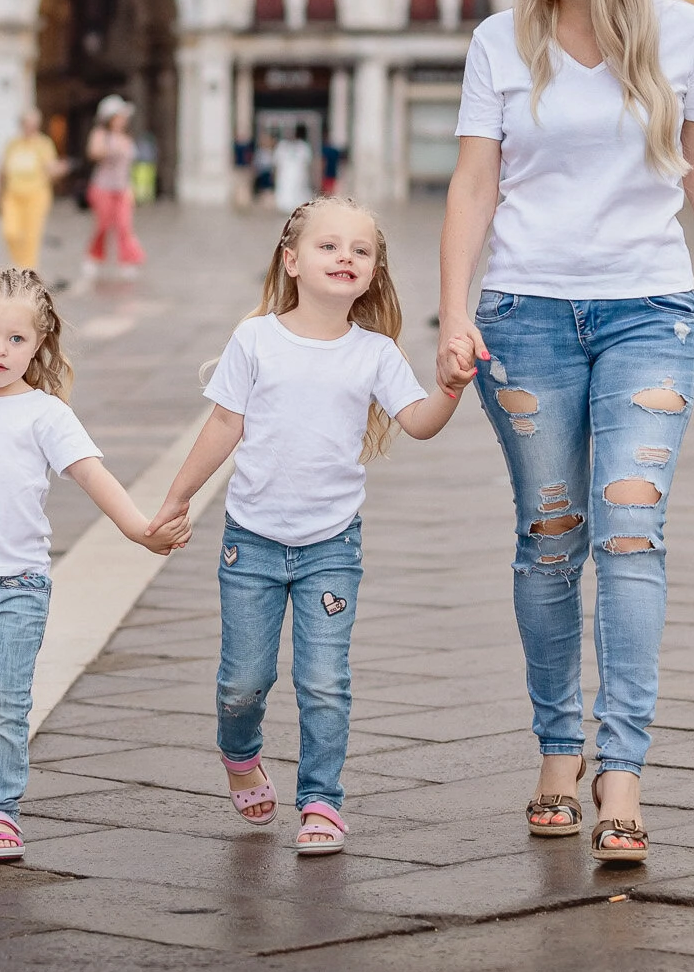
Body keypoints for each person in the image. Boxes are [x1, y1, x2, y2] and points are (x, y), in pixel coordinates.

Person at [437, 0, 694, 866]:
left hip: (648, 314)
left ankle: (622, 767)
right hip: (525, 316)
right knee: (550, 537)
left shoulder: (680, 32)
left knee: (631, 530)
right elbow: (472, 187)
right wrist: (453, 313)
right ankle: (557, 748)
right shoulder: (499, 42)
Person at [147, 198, 468, 855]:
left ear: (374, 272)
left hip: (330, 546)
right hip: (251, 544)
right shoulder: (255, 339)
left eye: (360, 249)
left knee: (323, 679)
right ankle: (239, 755)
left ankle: (320, 799)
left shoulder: (374, 353)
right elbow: (222, 427)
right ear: (291, 261)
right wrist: (176, 498)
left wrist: (451, 387)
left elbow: (418, 423)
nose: (345, 257)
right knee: (243, 682)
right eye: (328, 246)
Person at [0, 265, 189, 859]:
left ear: (39, 343)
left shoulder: (45, 413)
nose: (0, 351)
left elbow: (91, 475)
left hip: (17, 587)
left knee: (3, 701)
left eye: (16, 339)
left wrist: (139, 530)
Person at [80, 94, 145, 281]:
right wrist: (111, 149)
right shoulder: (101, 135)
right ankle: (93, 257)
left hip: (122, 187)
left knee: (124, 225)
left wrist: (131, 188)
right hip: (103, 187)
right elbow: (93, 153)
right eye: (119, 116)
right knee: (103, 225)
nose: (123, 120)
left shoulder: (126, 137)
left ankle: (128, 261)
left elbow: (128, 167)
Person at [0, 108, 66, 271]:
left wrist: (59, 169)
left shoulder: (43, 144)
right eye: (27, 124)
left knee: (31, 235)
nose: (30, 127)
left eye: (33, 124)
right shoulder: (13, 144)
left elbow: (51, 167)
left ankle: (27, 269)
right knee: (10, 232)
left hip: (36, 196)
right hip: (12, 195)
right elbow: (2, 170)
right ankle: (17, 262)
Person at [272, 124, 315, 212]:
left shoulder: (303, 146)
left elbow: (308, 163)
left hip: (299, 176)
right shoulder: (282, 146)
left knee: (299, 194)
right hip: (284, 176)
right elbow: (276, 163)